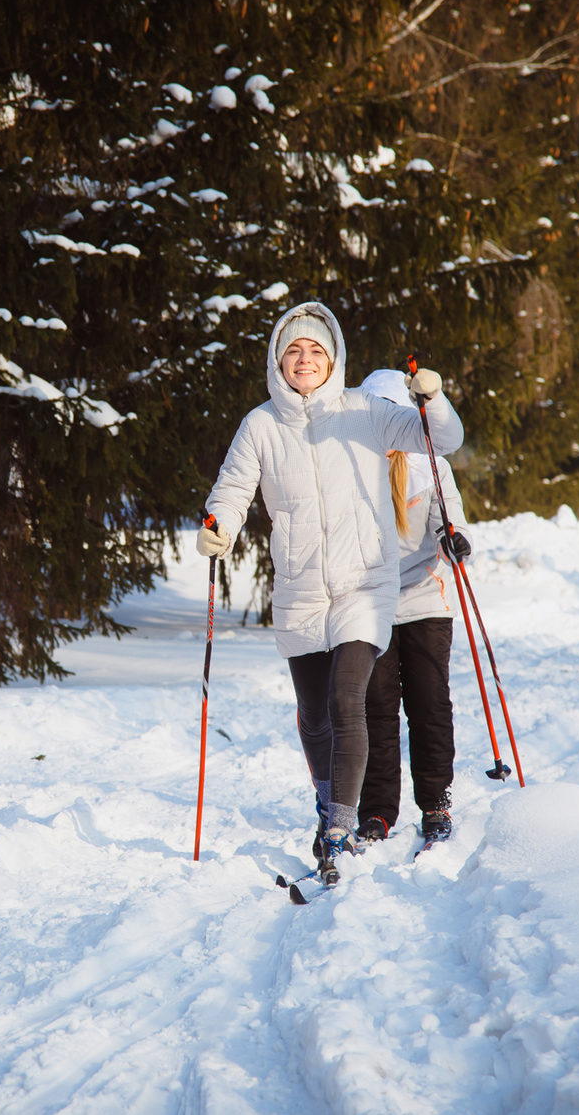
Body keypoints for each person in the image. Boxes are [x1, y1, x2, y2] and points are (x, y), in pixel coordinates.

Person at [197, 304, 464, 883]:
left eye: (316, 350)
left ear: (334, 357)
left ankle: (338, 828)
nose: (305, 360)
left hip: (365, 582)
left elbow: (441, 439)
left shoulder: (366, 411)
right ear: (278, 360)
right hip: (299, 588)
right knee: (315, 715)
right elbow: (235, 486)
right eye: (294, 350)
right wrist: (218, 524)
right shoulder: (261, 425)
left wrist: (431, 399)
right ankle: (328, 798)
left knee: (350, 699)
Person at [354, 369, 470, 848]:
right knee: (375, 710)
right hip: (368, 601)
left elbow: (450, 519)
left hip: (424, 596)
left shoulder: (431, 463)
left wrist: (453, 538)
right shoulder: (351, 467)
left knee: (429, 703)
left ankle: (436, 804)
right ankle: (377, 812)